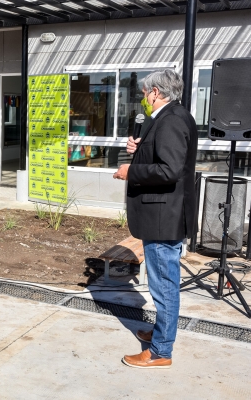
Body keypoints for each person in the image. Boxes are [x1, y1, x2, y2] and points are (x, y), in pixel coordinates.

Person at [113, 70, 198, 369]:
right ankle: (162, 333)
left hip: (163, 217)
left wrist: (130, 171)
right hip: (163, 214)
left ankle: (161, 351)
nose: (144, 97)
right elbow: (161, 157)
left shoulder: (172, 119)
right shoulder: (168, 116)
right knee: (163, 284)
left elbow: (170, 170)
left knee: (164, 287)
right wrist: (138, 152)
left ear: (156, 92)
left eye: (145, 92)